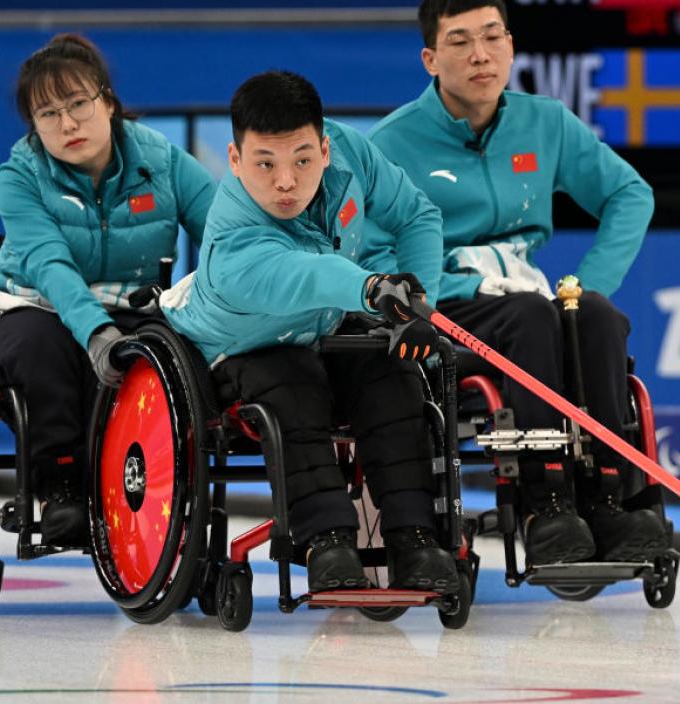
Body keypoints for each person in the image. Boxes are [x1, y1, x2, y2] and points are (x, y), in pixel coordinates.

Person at [364, 0, 670, 568]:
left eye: (492, 37)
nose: (480, 55)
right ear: (430, 58)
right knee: (531, 315)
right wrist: (454, 287)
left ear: (510, 44)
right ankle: (546, 500)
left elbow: (630, 194)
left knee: (598, 319)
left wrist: (588, 286)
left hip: (525, 293)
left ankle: (609, 498)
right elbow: (370, 256)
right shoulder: (391, 143)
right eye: (459, 42)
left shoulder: (545, 122)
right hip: (445, 306)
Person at [162, 70, 460, 593]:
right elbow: (309, 273)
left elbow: (417, 215)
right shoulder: (234, 243)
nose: (285, 181)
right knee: (291, 383)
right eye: (264, 163)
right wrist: (373, 289)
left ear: (325, 148)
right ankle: (328, 542)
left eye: (302, 160)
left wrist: (417, 309)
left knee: (388, 370)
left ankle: (415, 538)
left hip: (326, 325)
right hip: (245, 347)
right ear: (234, 161)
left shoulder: (351, 153)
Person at [0, 33, 216, 546]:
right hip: (31, 302)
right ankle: (61, 487)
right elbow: (49, 264)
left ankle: (160, 491)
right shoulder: (18, 176)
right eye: (48, 113)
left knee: (167, 357)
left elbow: (224, 232)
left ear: (107, 101)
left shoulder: (163, 162)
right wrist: (95, 332)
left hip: (131, 302)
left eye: (78, 104)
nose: (67, 124)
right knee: (44, 350)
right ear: (34, 126)